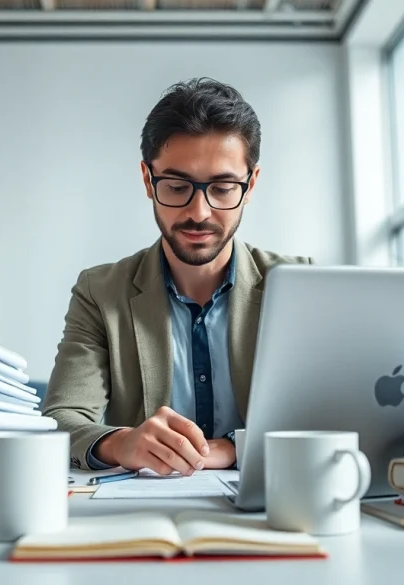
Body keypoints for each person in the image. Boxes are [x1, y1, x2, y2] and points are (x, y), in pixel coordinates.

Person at [42, 77, 312, 475]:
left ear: (250, 184)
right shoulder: (99, 293)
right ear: (148, 180)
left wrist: (233, 448)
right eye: (177, 185)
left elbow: (329, 416)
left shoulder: (300, 285)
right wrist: (120, 442)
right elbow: (59, 419)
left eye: (222, 188)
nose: (199, 212)